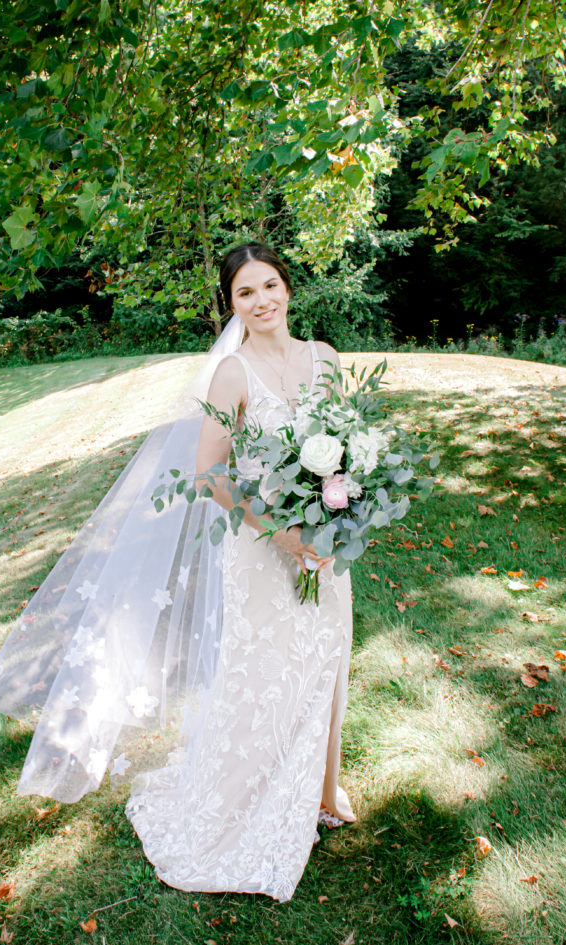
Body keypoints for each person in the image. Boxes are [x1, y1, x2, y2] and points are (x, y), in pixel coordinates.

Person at [125, 242, 356, 902]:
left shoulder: (325, 359)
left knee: (325, 659)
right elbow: (209, 474)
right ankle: (246, 802)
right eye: (245, 293)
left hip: (324, 544)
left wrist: (337, 511)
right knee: (266, 672)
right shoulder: (232, 374)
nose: (261, 301)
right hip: (261, 547)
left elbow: (343, 445)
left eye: (270, 285)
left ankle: (321, 789)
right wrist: (284, 534)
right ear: (231, 305)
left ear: (289, 288)